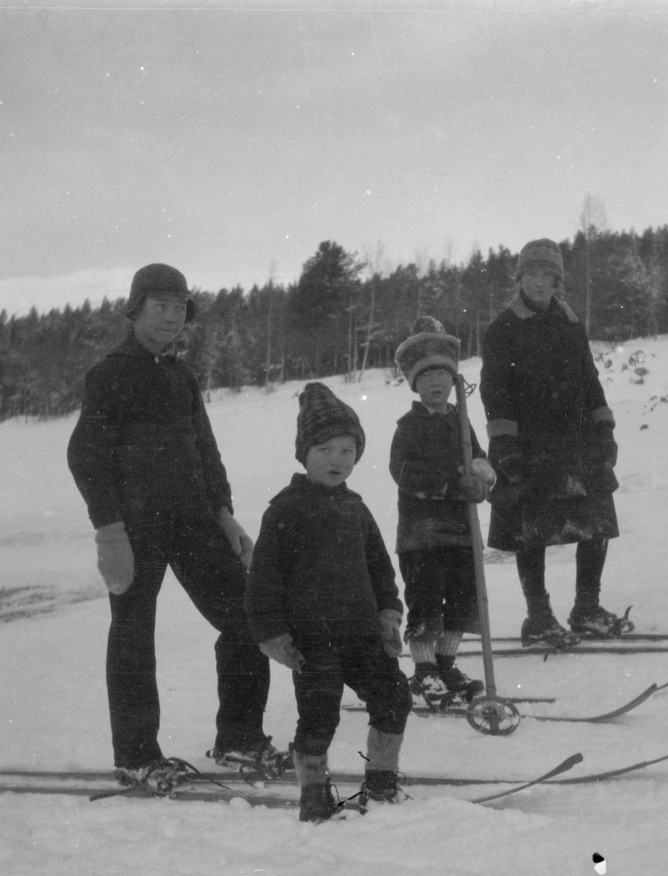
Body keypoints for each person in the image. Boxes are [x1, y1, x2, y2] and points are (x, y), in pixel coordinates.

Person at [67, 263, 282, 789]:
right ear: (135, 310)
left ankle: (238, 738)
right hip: (136, 527)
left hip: (193, 520)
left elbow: (204, 450)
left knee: (246, 617)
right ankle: (137, 755)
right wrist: (109, 530)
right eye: (159, 306)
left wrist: (224, 513)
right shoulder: (110, 373)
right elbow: (85, 455)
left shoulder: (180, 374)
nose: (171, 316)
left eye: (179, 307)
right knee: (134, 636)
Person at [246, 382, 412, 822]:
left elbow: (380, 569)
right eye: (324, 449)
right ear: (303, 454)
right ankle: (314, 793)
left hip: (362, 637)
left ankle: (380, 780)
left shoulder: (357, 509)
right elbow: (263, 579)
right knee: (319, 718)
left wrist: (387, 613)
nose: (337, 459)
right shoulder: (285, 510)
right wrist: (273, 635)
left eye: (347, 449)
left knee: (393, 695)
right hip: (312, 643)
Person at [479, 238, 628, 648]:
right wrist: (507, 446)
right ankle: (539, 617)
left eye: (548, 275)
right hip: (529, 445)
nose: (541, 283)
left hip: (576, 444)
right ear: (520, 277)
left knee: (595, 523)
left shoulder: (570, 323)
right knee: (533, 531)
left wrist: (604, 428)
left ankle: (586, 609)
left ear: (558, 279)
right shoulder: (502, 330)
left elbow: (590, 379)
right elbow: (496, 393)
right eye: (533, 274)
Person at [390, 316, 496, 705]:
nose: (436, 383)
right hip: (422, 536)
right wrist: (453, 484)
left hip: (461, 532)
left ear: (454, 382)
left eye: (443, 376)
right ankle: (424, 671)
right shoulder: (410, 426)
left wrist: (483, 475)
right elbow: (404, 473)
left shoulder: (461, 422)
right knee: (427, 602)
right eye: (427, 377)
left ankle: (447, 665)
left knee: (464, 600)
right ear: (414, 384)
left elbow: (478, 458)